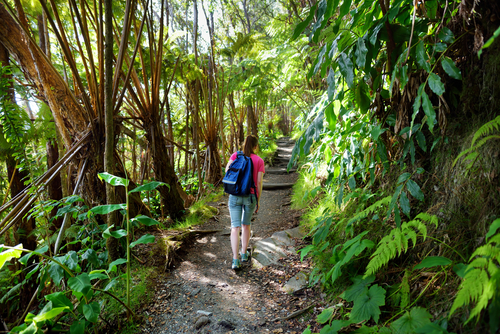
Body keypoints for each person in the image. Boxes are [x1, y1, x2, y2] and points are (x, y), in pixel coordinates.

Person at [225, 135, 265, 270]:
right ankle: (243, 254)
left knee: (235, 227)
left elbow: (227, 172)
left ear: (244, 145)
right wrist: (258, 201)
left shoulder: (235, 156)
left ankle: (235, 260)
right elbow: (259, 182)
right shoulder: (259, 160)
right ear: (255, 146)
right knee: (246, 225)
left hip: (235, 195)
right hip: (250, 196)